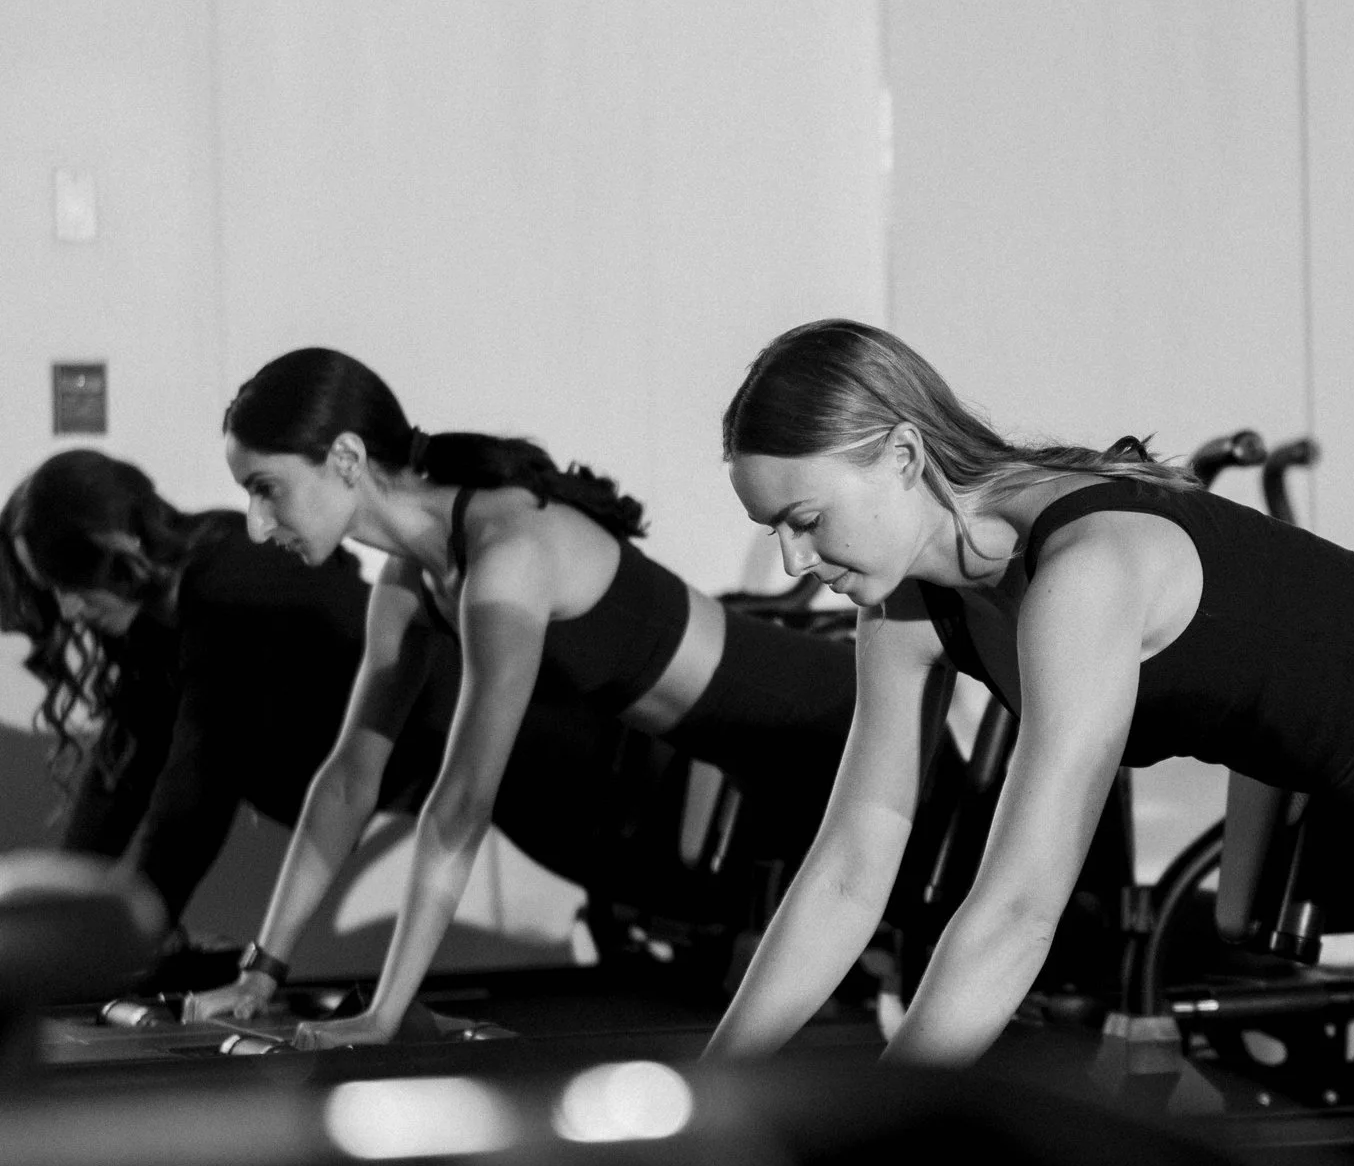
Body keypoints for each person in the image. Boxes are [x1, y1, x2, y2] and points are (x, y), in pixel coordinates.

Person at [704, 319, 1354, 1067]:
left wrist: (883, 1129)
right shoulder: (904, 607)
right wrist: (716, 1098)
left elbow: (1015, 912)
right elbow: (848, 864)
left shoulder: (1083, 572)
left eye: (804, 520)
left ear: (905, 458)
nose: (792, 561)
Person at [192, 349, 855, 1047]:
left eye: (267, 488)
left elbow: (464, 799)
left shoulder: (508, 552)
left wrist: (385, 1015)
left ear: (347, 457)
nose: (259, 524)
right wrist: (262, 971)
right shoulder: (409, 581)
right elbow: (349, 778)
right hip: (759, 768)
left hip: (825, 722)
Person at [0, 448, 435, 937]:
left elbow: (194, 795)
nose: (69, 610)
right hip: (410, 767)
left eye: (73, 584)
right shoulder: (159, 616)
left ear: (122, 545)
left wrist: (131, 935)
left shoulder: (232, 589)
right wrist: (55, 915)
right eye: (53, 591)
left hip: (483, 735)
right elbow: (121, 770)